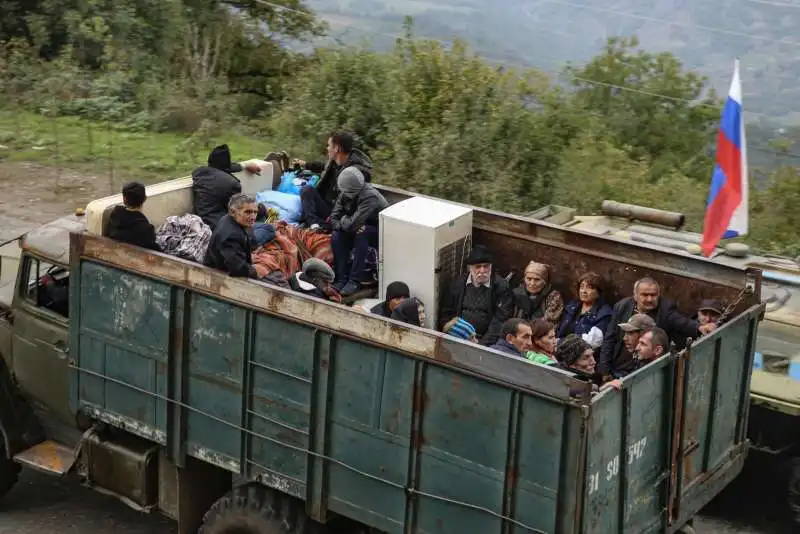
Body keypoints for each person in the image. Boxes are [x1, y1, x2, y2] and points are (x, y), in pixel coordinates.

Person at [598, 276, 715, 379]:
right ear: (635, 296)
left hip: (644, 372)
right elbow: (610, 338)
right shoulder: (622, 307)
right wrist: (605, 371)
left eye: (653, 295)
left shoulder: (665, 309)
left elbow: (681, 322)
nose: (649, 299)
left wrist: (699, 328)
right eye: (645, 295)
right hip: (617, 368)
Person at [438, 245, 514, 347]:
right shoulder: (457, 285)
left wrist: (481, 346)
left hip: (487, 342)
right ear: (470, 268)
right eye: (478, 266)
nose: (482, 271)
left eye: (485, 266)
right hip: (458, 338)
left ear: (490, 267)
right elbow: (446, 314)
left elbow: (500, 321)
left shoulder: (501, 287)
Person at [294, 132, 374, 229]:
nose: (327, 148)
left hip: (340, 213)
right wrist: (306, 164)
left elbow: (352, 202)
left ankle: (317, 224)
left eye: (329, 145)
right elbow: (324, 167)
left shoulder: (354, 173)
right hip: (326, 205)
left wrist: (335, 217)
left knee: (309, 200)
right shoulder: (334, 161)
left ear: (336, 148)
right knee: (307, 190)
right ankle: (314, 224)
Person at [330, 166, 388, 296]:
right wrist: (344, 222)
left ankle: (354, 280)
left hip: (379, 231)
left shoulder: (370, 197)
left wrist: (344, 220)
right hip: (355, 225)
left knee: (362, 233)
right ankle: (341, 277)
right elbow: (334, 218)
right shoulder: (345, 193)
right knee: (336, 235)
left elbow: (352, 225)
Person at [192, 144, 260, 230]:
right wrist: (260, 210)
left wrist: (245, 165)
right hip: (219, 228)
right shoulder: (232, 185)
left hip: (201, 223)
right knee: (267, 228)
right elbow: (238, 211)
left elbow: (224, 167)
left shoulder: (198, 173)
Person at [204, 193, 267, 279]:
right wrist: (257, 273)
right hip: (218, 277)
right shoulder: (232, 235)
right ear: (233, 212)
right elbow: (238, 268)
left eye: (255, 212)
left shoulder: (228, 219)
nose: (253, 217)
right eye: (248, 212)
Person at [558, 272, 613, 348]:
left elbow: (592, 342)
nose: (584, 291)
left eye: (590, 288)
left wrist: (561, 342)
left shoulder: (604, 313)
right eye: (582, 287)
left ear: (599, 292)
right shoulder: (572, 305)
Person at [104, 181, 160, 251]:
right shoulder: (146, 229)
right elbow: (155, 250)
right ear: (145, 199)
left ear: (124, 199)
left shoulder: (115, 216)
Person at [601, 313, 655, 378]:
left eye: (630, 333)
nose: (624, 338)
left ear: (643, 334)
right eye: (625, 333)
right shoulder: (636, 356)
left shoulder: (648, 359)